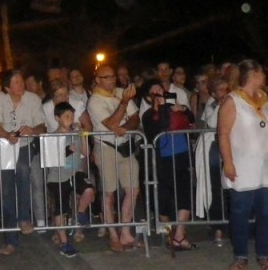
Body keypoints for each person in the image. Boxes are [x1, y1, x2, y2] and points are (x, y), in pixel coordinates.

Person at [218, 59, 268, 270]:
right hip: (244, 166)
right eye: (262, 73)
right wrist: (228, 161)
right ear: (253, 74)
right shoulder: (233, 100)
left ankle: (263, 254)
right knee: (240, 212)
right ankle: (240, 255)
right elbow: (224, 133)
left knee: (266, 212)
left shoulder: (264, 99)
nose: (265, 76)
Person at [0, 70, 45, 255]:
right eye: (16, 82)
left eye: (22, 81)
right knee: (6, 192)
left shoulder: (34, 99)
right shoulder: (0, 98)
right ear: (7, 87)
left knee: (22, 170)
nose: (21, 85)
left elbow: (42, 125)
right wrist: (7, 135)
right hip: (5, 147)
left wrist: (32, 129)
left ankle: (24, 217)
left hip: (25, 145)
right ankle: (10, 239)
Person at [87, 65, 141, 252]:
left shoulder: (120, 92)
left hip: (125, 146)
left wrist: (125, 127)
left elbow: (135, 117)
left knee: (133, 189)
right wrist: (124, 104)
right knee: (109, 193)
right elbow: (111, 123)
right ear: (98, 79)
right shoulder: (94, 101)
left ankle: (125, 231)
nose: (112, 80)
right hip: (107, 147)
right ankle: (112, 234)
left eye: (113, 76)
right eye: (107, 77)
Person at [142, 82, 196, 251]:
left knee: (185, 194)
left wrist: (184, 110)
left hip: (181, 155)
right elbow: (161, 128)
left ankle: (179, 235)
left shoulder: (173, 107)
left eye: (161, 89)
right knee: (163, 198)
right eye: (155, 91)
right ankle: (168, 234)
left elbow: (191, 120)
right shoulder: (148, 115)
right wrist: (164, 108)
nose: (159, 92)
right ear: (149, 97)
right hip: (162, 160)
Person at [46, 102, 94, 258]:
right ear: (57, 118)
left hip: (75, 172)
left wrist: (83, 137)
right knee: (61, 208)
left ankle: (80, 213)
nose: (70, 119)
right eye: (66, 116)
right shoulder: (52, 136)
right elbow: (50, 159)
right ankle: (64, 243)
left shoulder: (75, 133)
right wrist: (67, 151)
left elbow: (86, 153)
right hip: (58, 176)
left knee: (88, 189)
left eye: (72, 116)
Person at [194, 76, 230, 245]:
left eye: (226, 89)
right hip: (215, 150)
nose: (225, 93)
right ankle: (218, 227)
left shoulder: (235, 103)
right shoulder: (211, 107)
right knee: (216, 188)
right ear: (214, 93)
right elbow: (214, 123)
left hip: (233, 149)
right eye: (221, 90)